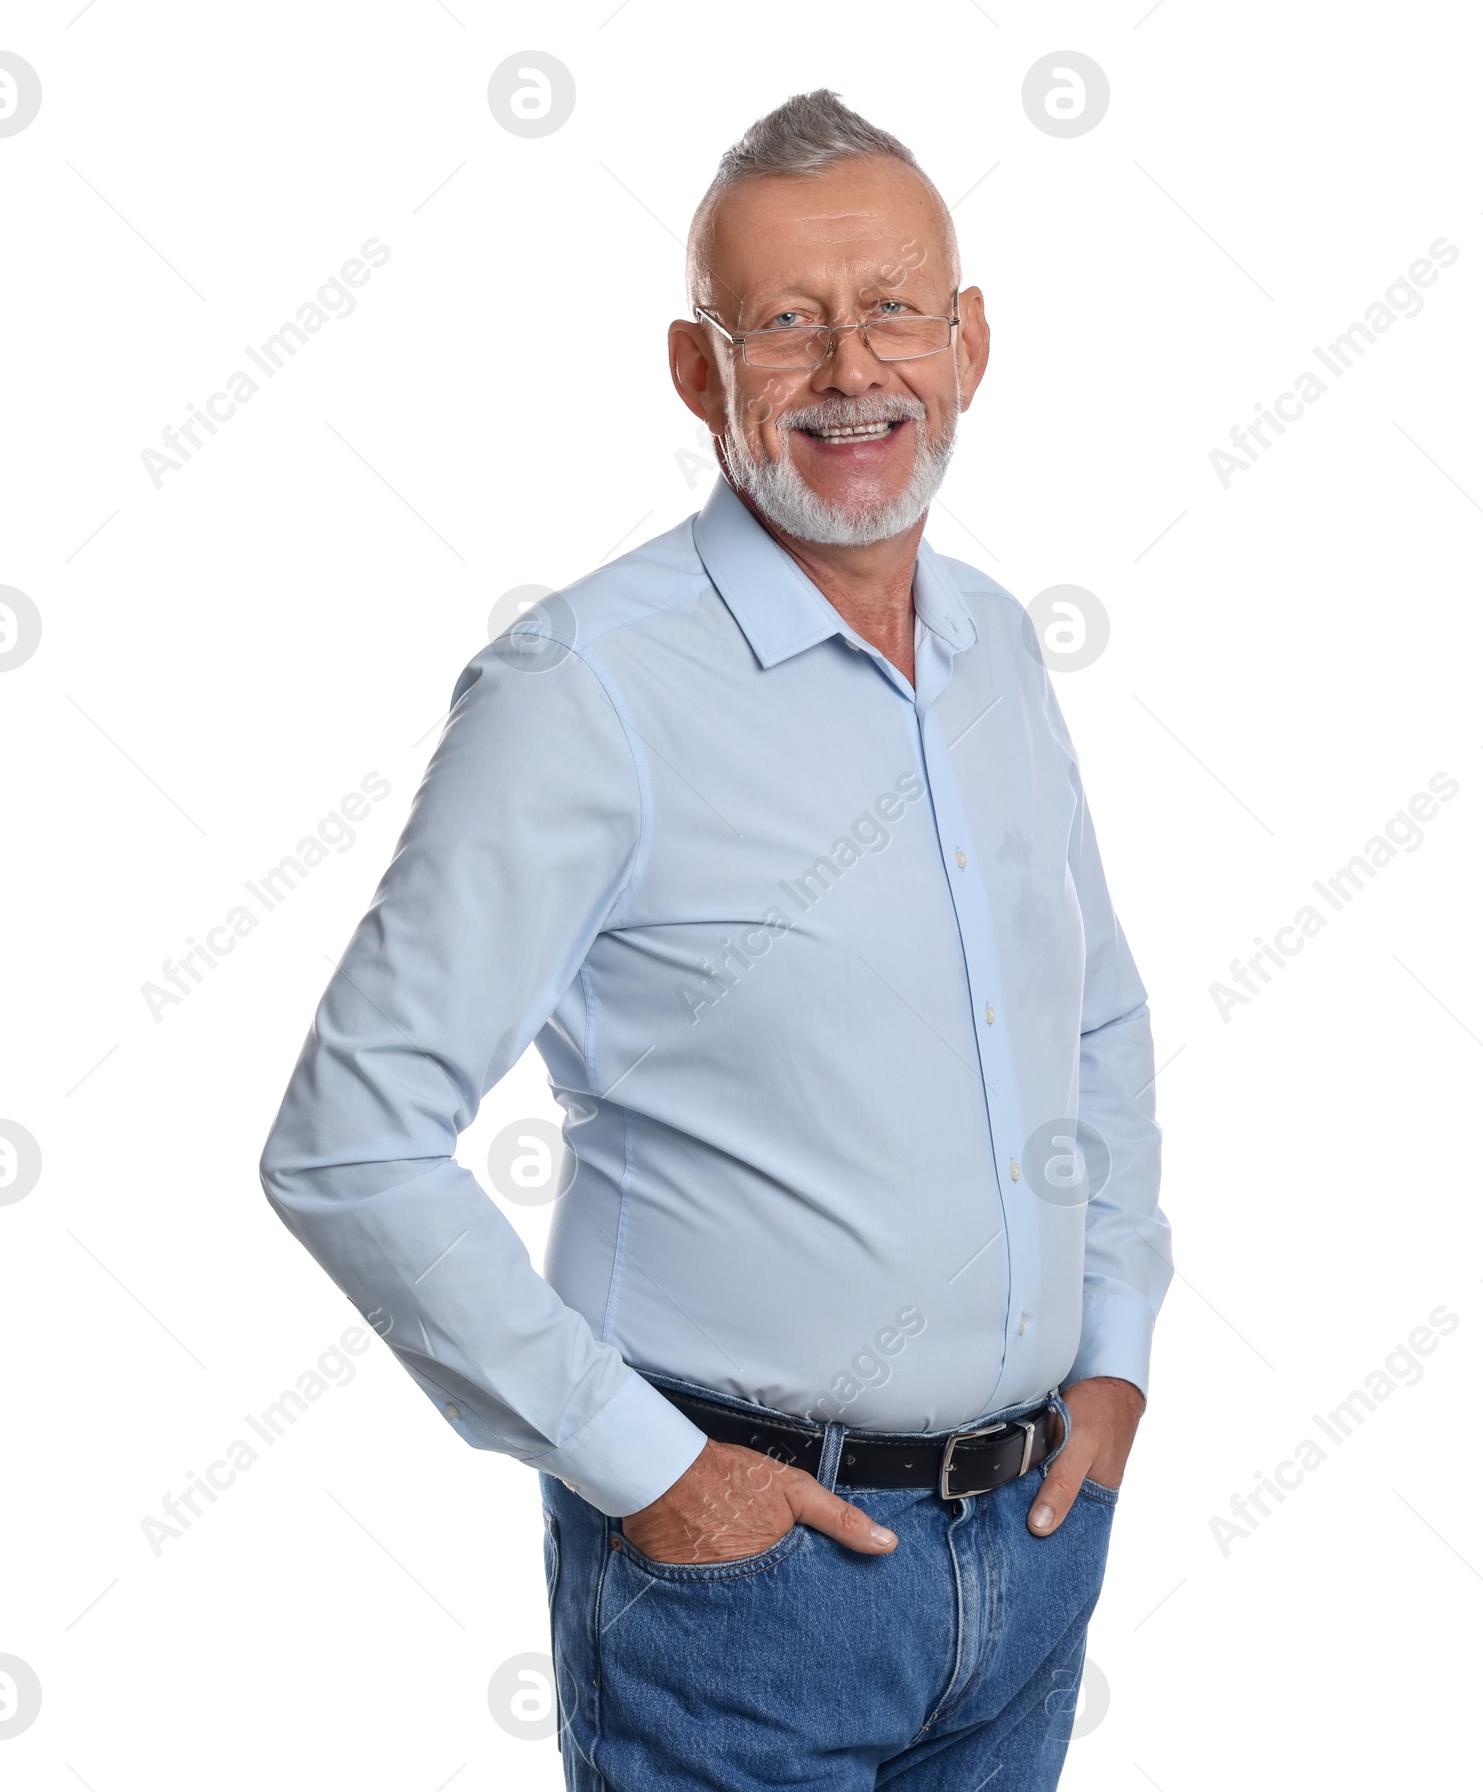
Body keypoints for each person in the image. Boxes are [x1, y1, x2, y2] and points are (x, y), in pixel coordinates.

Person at [261, 88, 1172, 1792]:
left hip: (1037, 1549)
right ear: (700, 374)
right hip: (742, 1587)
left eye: (895, 307)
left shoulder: (996, 652)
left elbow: (1096, 1028)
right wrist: (655, 1474)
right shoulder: (585, 690)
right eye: (784, 323)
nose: (852, 368)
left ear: (970, 344)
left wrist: (1114, 1352)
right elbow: (348, 1144)